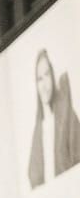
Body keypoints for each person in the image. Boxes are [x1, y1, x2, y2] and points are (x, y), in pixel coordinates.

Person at [27, 49, 80, 187]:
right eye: (39, 79)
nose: (44, 85)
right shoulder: (38, 131)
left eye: (47, 75)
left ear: (53, 75)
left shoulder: (68, 116)